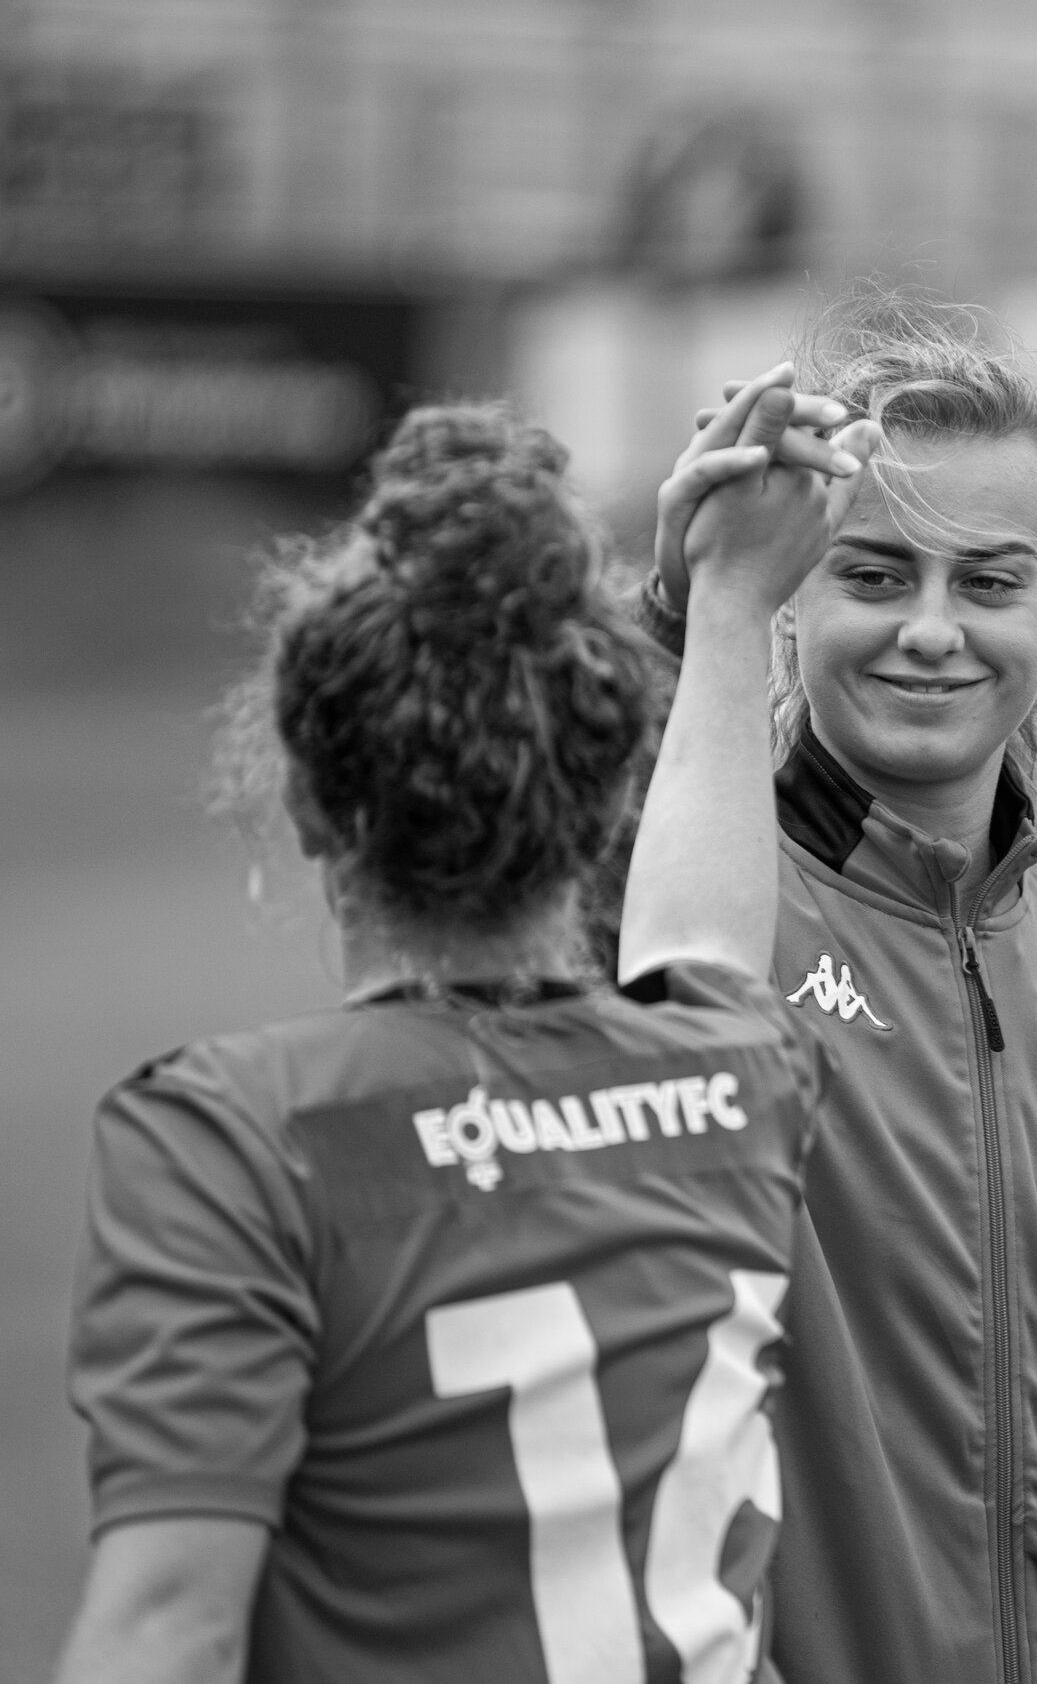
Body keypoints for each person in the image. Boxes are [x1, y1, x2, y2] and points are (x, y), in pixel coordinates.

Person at [47, 388, 873, 1684]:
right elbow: (703, 944)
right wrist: (728, 610)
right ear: (604, 801)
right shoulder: (735, 1082)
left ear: (315, 804)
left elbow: (169, 1626)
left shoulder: (238, 1137)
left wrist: (724, 610)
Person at [634, 298, 1037, 1684]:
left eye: (988, 581)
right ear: (794, 589)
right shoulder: (692, 905)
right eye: (873, 573)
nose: (932, 630)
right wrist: (686, 626)